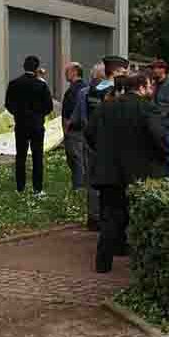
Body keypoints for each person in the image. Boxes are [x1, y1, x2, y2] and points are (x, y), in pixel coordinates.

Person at [85, 70, 169, 273]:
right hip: (140, 173)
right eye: (150, 85)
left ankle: (103, 264)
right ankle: (142, 267)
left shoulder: (106, 107)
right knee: (141, 219)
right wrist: (163, 157)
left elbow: (89, 133)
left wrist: (104, 153)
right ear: (141, 87)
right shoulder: (148, 108)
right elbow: (159, 138)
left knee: (110, 219)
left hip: (109, 173)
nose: (152, 89)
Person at [72, 57, 129, 231]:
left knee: (93, 178)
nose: (126, 75)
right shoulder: (115, 91)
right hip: (109, 141)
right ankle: (108, 218)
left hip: (92, 138)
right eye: (124, 72)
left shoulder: (92, 89)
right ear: (117, 71)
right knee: (110, 181)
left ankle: (94, 217)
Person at [5, 55, 54, 193]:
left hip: (20, 124)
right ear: (37, 68)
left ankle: (20, 187)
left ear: (24, 67)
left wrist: (17, 114)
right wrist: (39, 115)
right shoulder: (41, 85)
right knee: (37, 156)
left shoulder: (14, 84)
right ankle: (37, 188)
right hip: (37, 125)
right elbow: (49, 106)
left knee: (20, 156)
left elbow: (8, 104)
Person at [61, 62, 88, 190]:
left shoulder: (72, 91)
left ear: (75, 72)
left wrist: (66, 130)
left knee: (75, 160)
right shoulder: (87, 88)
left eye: (67, 71)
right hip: (84, 130)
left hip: (73, 131)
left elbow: (69, 113)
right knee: (83, 159)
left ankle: (79, 187)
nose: (65, 73)